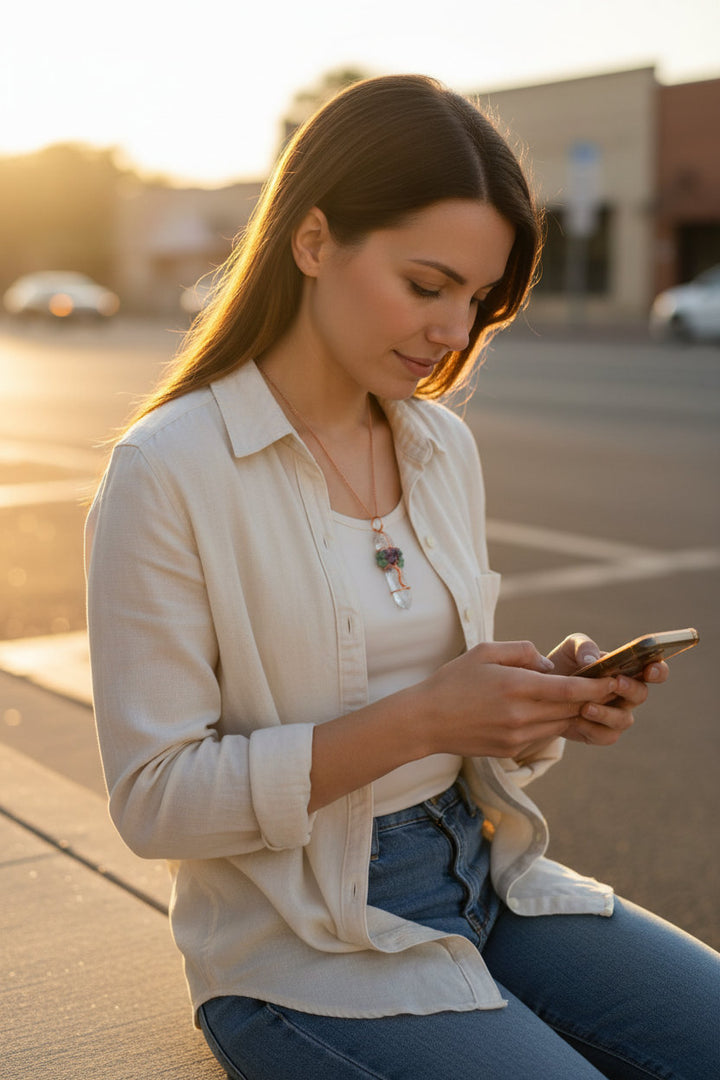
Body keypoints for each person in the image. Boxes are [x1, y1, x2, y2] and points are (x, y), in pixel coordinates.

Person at [85, 75, 719, 1080]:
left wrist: (536, 705)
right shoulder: (169, 469)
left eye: (478, 300)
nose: (453, 334)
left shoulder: (438, 445)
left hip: (490, 874)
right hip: (298, 947)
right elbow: (153, 801)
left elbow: (440, 700)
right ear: (313, 241)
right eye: (427, 287)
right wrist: (427, 718)